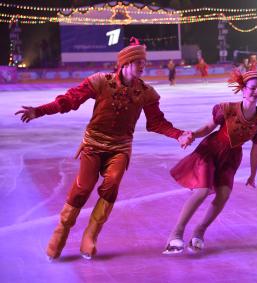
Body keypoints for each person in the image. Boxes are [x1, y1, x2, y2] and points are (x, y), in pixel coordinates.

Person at [15, 37, 192, 261]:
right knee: (82, 188)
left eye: (143, 61)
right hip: (94, 144)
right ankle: (61, 231)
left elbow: (156, 122)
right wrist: (39, 111)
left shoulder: (146, 92)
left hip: (120, 147)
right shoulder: (100, 81)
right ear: (125, 63)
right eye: (138, 61)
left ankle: (91, 234)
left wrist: (179, 135)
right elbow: (69, 101)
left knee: (112, 184)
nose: (143, 65)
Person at [162, 70, 257, 254]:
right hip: (211, 150)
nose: (256, 92)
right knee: (203, 190)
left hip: (231, 159)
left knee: (223, 195)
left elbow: (256, 149)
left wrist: (253, 174)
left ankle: (199, 232)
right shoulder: (227, 109)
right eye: (252, 88)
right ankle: (176, 233)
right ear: (243, 89)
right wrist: (193, 135)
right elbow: (208, 127)